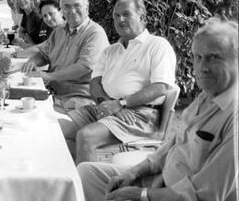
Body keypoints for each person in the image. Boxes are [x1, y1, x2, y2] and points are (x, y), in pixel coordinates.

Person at [77, 18, 238, 201]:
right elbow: (172, 146)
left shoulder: (234, 116)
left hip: (177, 196)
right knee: (87, 173)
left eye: (214, 57)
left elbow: (206, 196)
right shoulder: (205, 97)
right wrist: (134, 172)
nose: (202, 68)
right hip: (160, 181)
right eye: (198, 57)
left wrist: (142, 195)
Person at [60, 0, 177, 164]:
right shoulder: (110, 50)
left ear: (142, 17)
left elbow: (161, 87)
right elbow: (95, 83)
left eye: (126, 14)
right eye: (116, 15)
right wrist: (106, 103)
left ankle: (88, 186)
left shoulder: (157, 45)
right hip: (103, 106)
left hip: (138, 114)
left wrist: (121, 104)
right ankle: (77, 176)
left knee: (86, 136)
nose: (120, 19)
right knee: (56, 129)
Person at [22, 0, 109, 113]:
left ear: (87, 7)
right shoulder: (59, 31)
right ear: (62, 10)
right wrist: (32, 61)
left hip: (78, 98)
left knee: (40, 122)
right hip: (53, 93)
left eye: (77, 5)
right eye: (67, 7)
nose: (72, 11)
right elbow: (43, 54)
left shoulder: (95, 33)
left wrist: (49, 76)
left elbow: (84, 67)